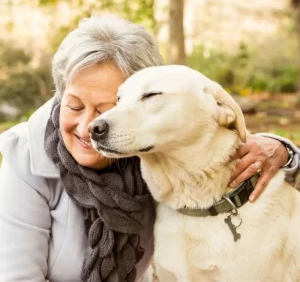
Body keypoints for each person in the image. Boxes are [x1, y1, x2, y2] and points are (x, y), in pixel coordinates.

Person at [0, 15, 299, 282]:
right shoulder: (26, 156)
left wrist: (283, 149)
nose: (90, 126)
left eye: (108, 107)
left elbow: (199, 129)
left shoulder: (152, 151)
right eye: (74, 105)